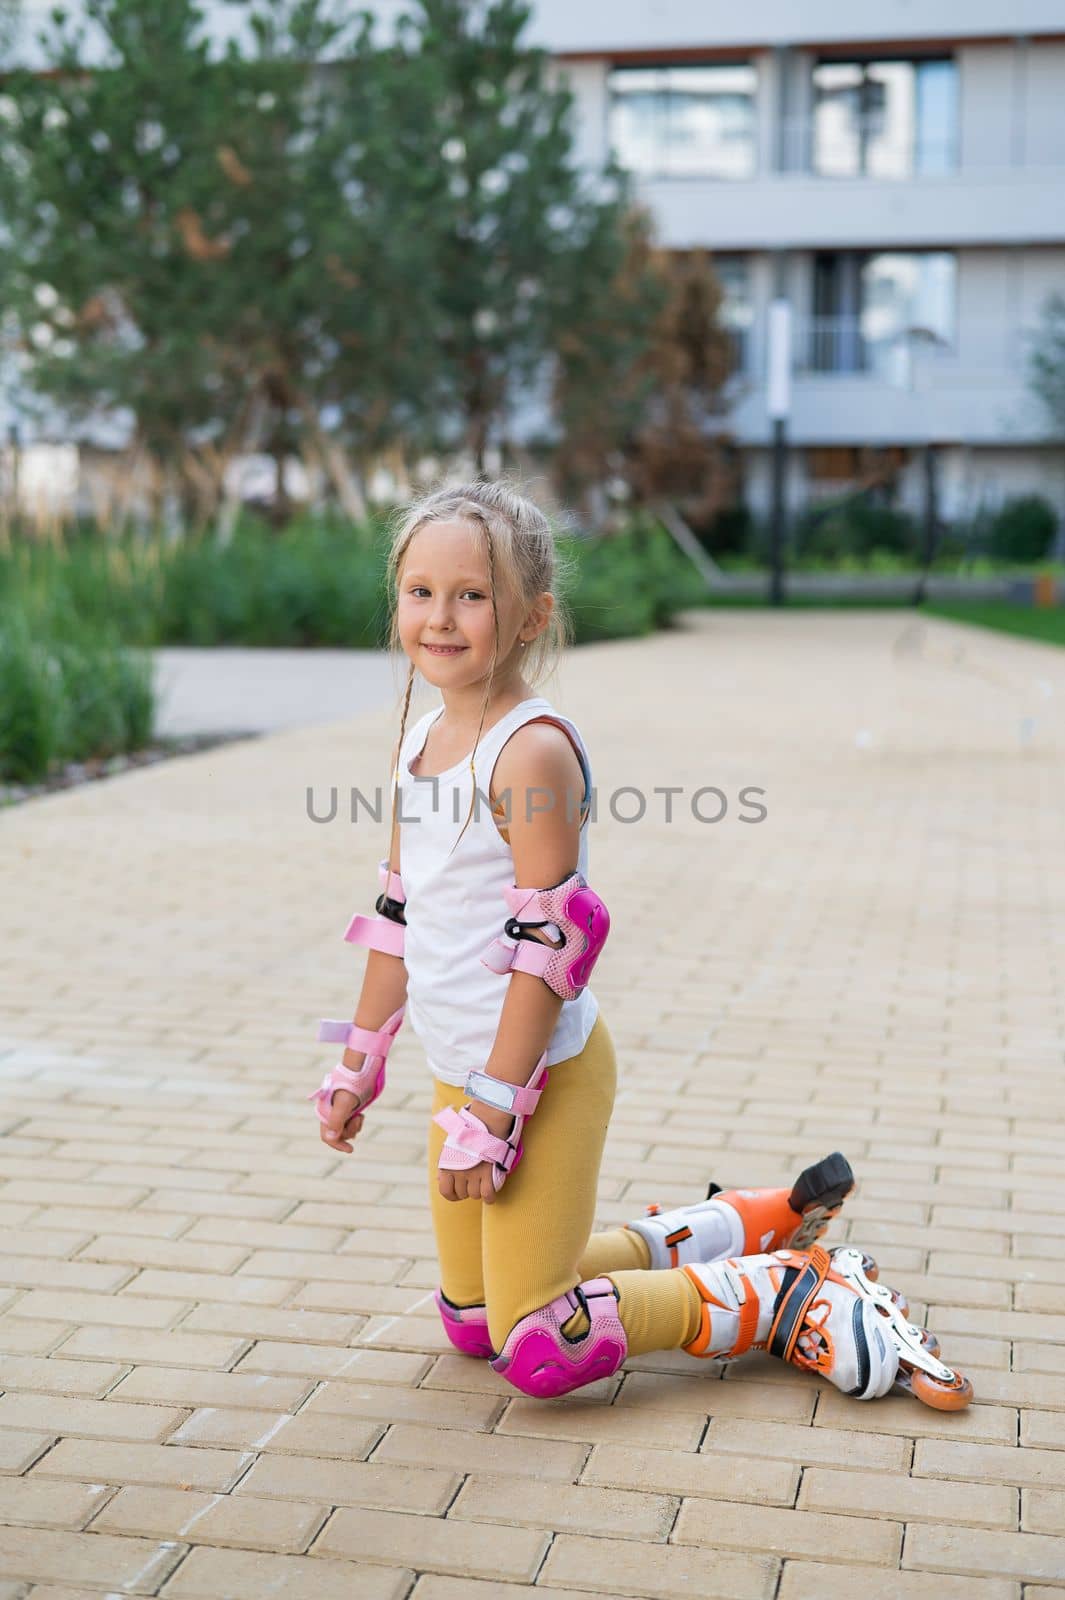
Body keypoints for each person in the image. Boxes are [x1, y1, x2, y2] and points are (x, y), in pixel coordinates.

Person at [309, 479, 971, 1412]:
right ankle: (714, 1230)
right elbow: (396, 915)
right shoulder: (416, 741)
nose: (440, 617)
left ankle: (782, 1294)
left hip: (542, 1076)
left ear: (532, 614)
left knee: (537, 1346)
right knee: (470, 1323)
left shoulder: (529, 752)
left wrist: (494, 1116)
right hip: (464, 1074)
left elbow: (551, 951)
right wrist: (358, 1063)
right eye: (419, 592)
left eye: (472, 593)